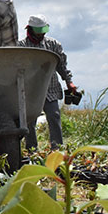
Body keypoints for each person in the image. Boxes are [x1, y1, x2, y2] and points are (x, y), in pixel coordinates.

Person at [18, 14, 78, 150]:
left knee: (54, 117)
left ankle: (57, 148)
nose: (41, 35)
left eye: (43, 31)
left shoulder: (53, 45)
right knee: (29, 121)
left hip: (49, 88)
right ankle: (31, 149)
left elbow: (62, 66)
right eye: (38, 31)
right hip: (30, 90)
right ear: (30, 29)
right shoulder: (21, 46)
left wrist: (69, 82)